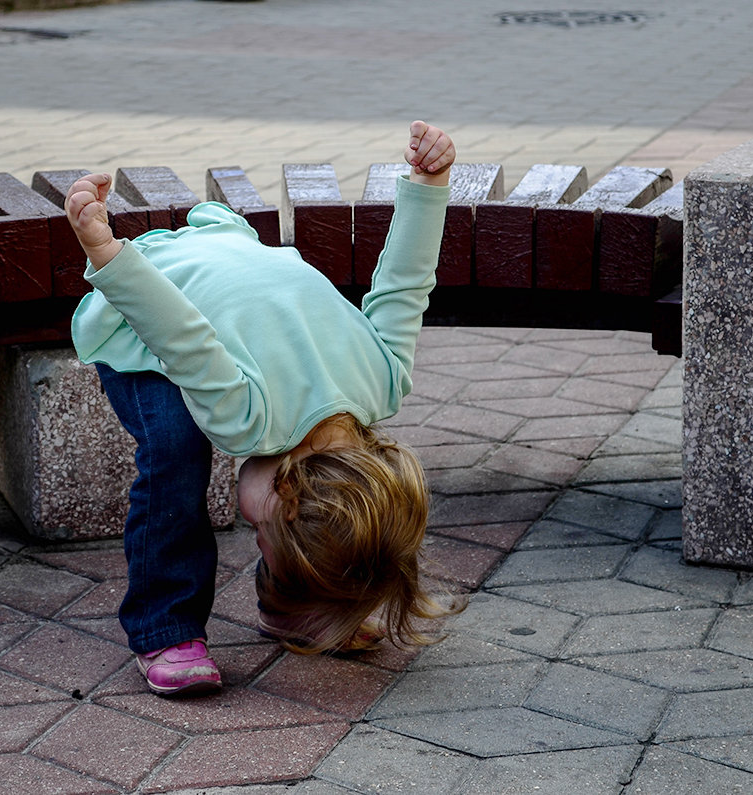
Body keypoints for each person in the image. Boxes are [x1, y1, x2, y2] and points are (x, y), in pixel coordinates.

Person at [64, 121, 458, 696]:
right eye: (262, 530)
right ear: (286, 492)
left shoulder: (386, 382)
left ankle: (293, 605)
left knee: (315, 534)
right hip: (145, 303)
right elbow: (179, 336)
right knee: (177, 447)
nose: (252, 533)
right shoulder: (247, 415)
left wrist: (431, 183)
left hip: (230, 265)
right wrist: (107, 253)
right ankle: (165, 625)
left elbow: (405, 285)